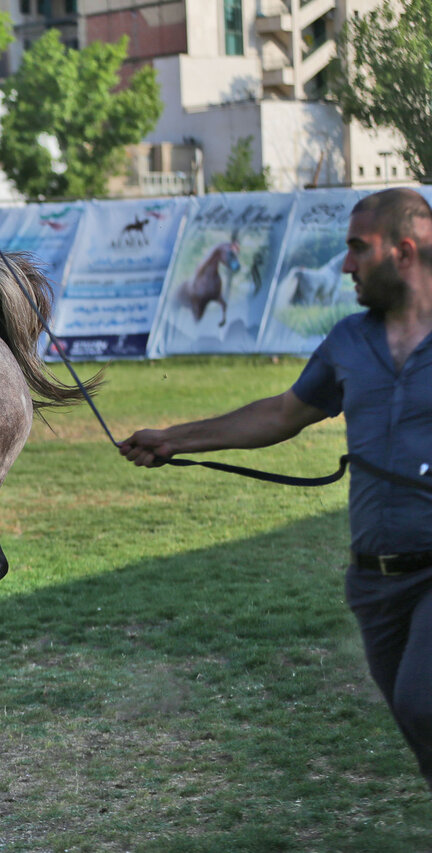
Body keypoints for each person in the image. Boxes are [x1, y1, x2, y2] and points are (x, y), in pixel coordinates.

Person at [120, 187, 432, 791]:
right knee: (418, 727)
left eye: (357, 250)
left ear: (404, 252)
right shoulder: (348, 342)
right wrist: (175, 439)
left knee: (425, 703)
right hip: (373, 582)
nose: (344, 266)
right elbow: (281, 415)